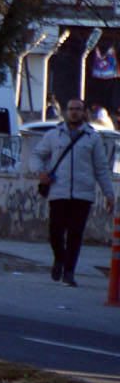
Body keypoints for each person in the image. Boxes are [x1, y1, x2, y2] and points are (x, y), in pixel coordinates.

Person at [29, 98, 115, 286]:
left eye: (78, 109)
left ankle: (69, 271)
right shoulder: (54, 135)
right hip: (58, 191)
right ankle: (59, 259)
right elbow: (36, 155)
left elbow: (101, 168)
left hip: (82, 194)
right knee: (55, 232)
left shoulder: (93, 138)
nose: (74, 112)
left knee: (75, 234)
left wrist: (109, 194)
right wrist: (40, 172)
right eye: (71, 109)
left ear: (84, 113)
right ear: (66, 112)